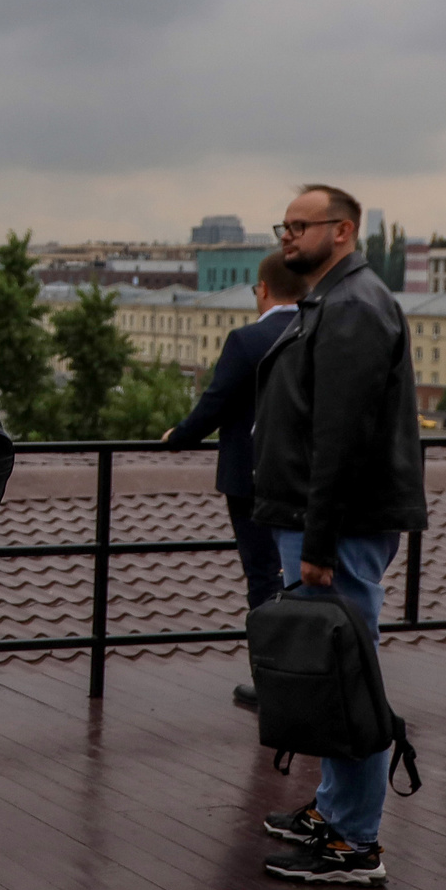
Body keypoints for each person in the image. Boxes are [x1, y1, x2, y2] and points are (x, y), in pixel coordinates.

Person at [250, 183, 427, 887]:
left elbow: (341, 437)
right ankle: (336, 811)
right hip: (323, 520)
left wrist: (319, 542)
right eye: (284, 225)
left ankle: (355, 840)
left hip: (336, 526)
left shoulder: (352, 306)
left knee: (345, 671)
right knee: (333, 671)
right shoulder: (334, 298)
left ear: (344, 231)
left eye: (302, 225)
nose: (289, 236)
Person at [162, 250, 310, 707]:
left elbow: (215, 403)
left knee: (264, 577)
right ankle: (314, 672)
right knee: (306, 577)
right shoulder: (318, 332)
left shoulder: (248, 339)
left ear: (262, 290)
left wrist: (178, 437)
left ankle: (273, 681)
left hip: (251, 479)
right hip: (308, 476)